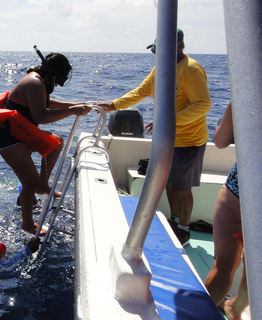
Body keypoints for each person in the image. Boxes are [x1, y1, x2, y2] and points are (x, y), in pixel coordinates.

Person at [97, 29, 211, 246]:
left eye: (163, 49)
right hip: (167, 139)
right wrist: (113, 105)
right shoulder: (160, 71)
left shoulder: (191, 69)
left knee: (182, 186)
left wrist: (169, 121)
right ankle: (175, 220)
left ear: (180, 45)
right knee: (167, 181)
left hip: (189, 140)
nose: (159, 54)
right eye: (156, 50)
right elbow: (139, 92)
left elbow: (203, 104)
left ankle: (185, 229)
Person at [0, 51, 91, 235]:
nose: (56, 84)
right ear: (53, 74)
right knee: (29, 181)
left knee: (56, 142)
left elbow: (46, 102)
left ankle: (42, 186)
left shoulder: (39, 80)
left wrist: (73, 104)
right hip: (7, 138)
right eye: (57, 80)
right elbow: (41, 115)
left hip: (21, 134)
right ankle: (28, 223)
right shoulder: (35, 82)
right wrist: (72, 111)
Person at [204, 103, 248, 320]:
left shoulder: (246, 89)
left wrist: (219, 131)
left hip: (237, 188)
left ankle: (199, 314)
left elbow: (220, 142)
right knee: (255, 271)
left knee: (222, 266)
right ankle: (235, 308)